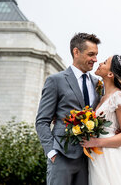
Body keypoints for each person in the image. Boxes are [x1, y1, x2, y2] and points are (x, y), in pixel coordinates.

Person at [36, 33, 102, 185]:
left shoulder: (98, 84)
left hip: (89, 160)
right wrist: (51, 152)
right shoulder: (56, 80)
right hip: (61, 156)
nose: (95, 59)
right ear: (76, 52)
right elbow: (42, 121)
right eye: (91, 54)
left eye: (96, 55)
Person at [80, 54, 121, 185]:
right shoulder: (102, 96)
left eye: (104, 62)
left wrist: (95, 142)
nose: (99, 63)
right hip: (96, 154)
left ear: (110, 74)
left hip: (108, 156)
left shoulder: (119, 97)